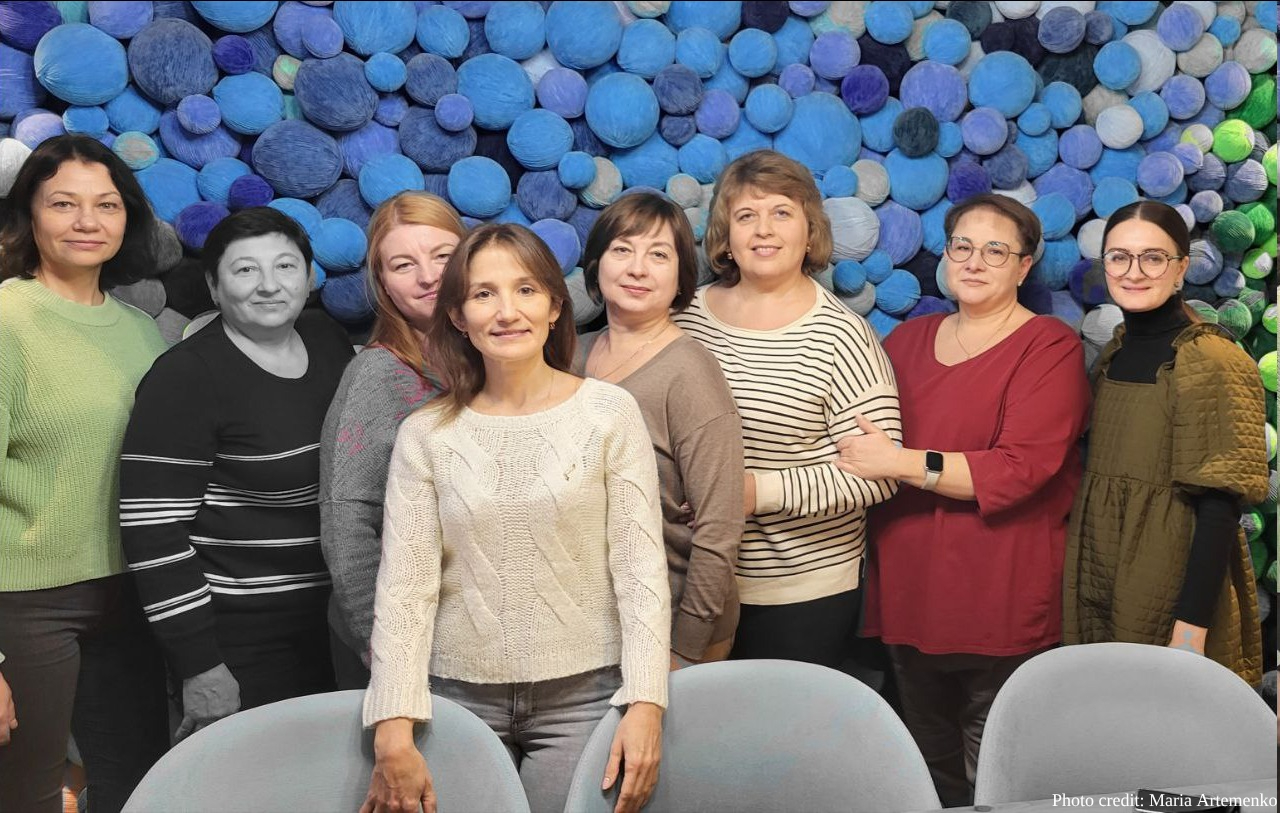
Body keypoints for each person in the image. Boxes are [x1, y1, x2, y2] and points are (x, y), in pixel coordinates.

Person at [362, 224, 669, 813]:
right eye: (484, 294)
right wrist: (393, 723)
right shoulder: (425, 435)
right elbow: (405, 589)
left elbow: (640, 570)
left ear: (555, 306)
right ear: (457, 315)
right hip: (454, 699)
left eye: (525, 290)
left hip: (586, 695)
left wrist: (647, 702)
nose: (507, 312)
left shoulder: (609, 414)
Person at [837, 193, 1091, 807]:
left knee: (998, 771)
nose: (975, 262)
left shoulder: (1049, 347)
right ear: (947, 256)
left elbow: (1019, 467)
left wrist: (898, 464)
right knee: (927, 765)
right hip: (909, 588)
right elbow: (849, 437)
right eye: (963, 247)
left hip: (997, 593)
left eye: (996, 251)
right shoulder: (907, 341)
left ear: (1025, 266)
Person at [119, 207, 354, 738]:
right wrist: (198, 664)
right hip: (237, 637)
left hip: (334, 623)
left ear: (311, 277)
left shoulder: (328, 340)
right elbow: (152, 530)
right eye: (246, 270)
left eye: (286, 267)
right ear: (213, 285)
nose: (269, 285)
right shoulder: (186, 378)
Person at [671, 149, 902, 670]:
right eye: (745, 216)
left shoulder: (842, 336)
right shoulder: (685, 318)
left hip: (800, 591)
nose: (763, 230)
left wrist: (756, 492)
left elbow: (879, 475)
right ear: (725, 235)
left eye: (781, 212)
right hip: (692, 580)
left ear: (809, 229)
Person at [0, 134, 171, 813]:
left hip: (131, 594)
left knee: (138, 785)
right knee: (28, 794)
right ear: (29, 216)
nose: (86, 221)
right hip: (27, 603)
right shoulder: (7, 319)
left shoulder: (140, 330)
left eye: (105, 204)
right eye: (63, 203)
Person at [1063, 200, 1268, 685]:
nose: (1134, 272)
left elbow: (1220, 503)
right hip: (1100, 564)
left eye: (1152, 257)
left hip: (1170, 578)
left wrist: (1191, 629)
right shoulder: (1114, 350)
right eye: (1119, 257)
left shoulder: (1211, 357)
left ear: (1180, 269)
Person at [578, 191, 744, 667]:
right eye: (622, 250)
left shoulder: (690, 371)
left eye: (659, 255)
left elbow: (720, 526)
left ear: (679, 280)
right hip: (600, 615)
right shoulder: (572, 355)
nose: (637, 268)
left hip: (675, 613)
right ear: (596, 266)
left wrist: (685, 647)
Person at [319, 192, 466, 689]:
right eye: (403, 264)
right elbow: (347, 526)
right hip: (403, 649)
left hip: (480, 639)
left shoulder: (501, 357)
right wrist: (383, 650)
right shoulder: (376, 375)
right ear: (382, 284)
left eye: (443, 256)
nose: (429, 277)